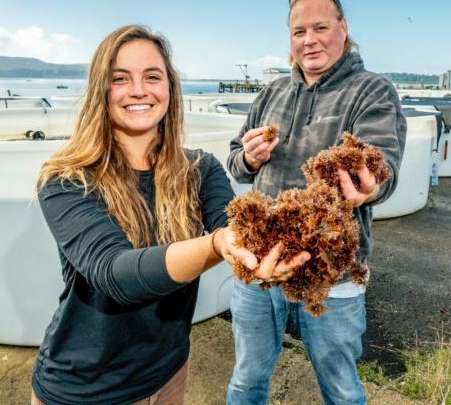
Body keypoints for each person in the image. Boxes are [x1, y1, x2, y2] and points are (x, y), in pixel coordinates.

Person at [30, 25, 309, 405]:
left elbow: (231, 226)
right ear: (100, 90)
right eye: (120, 78)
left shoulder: (201, 168)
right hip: (86, 388)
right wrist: (216, 245)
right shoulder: (67, 179)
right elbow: (116, 273)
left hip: (169, 370)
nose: (139, 90)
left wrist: (260, 246)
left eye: (152, 76)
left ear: (170, 88)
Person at [226, 0, 407, 404]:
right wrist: (249, 159)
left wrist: (368, 187)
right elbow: (235, 160)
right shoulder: (270, 93)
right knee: (246, 379)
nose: (309, 41)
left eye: (320, 27)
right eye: (298, 31)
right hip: (260, 268)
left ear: (343, 28)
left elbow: (384, 168)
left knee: (341, 389)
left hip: (334, 277)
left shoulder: (372, 91)